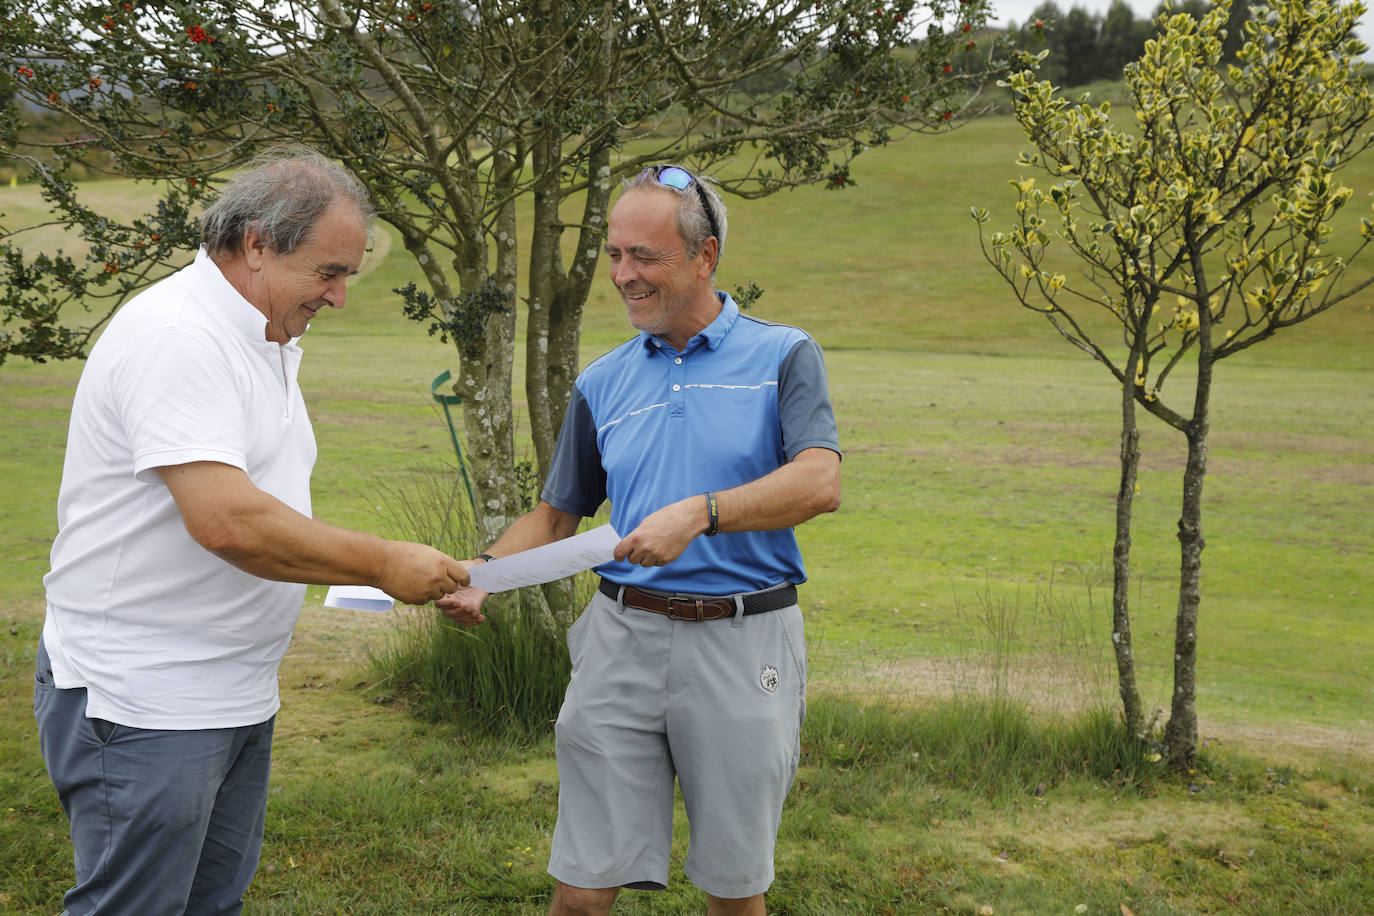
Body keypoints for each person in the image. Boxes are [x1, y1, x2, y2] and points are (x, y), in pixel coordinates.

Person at [34, 146, 469, 915]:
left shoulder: (261, 334)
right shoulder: (180, 336)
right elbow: (229, 521)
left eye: (346, 274)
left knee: (211, 906)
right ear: (258, 243)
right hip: (145, 701)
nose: (338, 296)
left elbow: (263, 506)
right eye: (328, 272)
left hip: (231, 689)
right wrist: (378, 564)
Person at [439, 164, 842, 916]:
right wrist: (482, 572)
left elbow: (819, 482)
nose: (624, 275)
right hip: (620, 639)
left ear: (706, 256)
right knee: (581, 891)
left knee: (734, 891)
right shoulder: (602, 381)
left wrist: (703, 512)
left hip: (743, 638)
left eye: (645, 258)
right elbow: (556, 515)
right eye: (615, 256)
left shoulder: (785, 355)